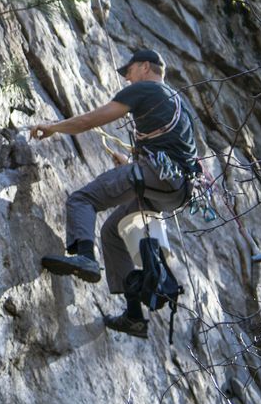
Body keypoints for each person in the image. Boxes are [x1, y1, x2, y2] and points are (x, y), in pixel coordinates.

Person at [31, 48, 197, 339]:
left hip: (155, 176)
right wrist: (133, 164)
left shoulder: (146, 89)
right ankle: (134, 316)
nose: (128, 78)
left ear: (146, 67)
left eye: (129, 71)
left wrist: (53, 127)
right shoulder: (177, 102)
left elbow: (89, 121)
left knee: (83, 199)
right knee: (112, 231)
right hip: (177, 191)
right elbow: (177, 151)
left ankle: (85, 256)